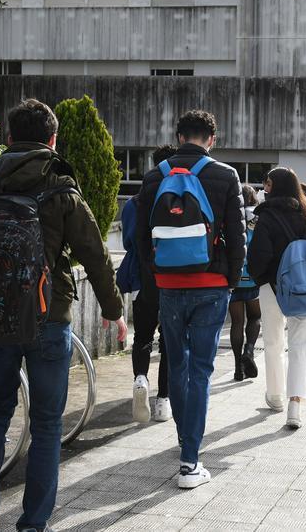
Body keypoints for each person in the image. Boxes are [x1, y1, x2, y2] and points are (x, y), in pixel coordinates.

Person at [0, 99, 127, 532]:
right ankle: (33, 523)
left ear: (10, 138)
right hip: (48, 316)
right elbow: (95, 254)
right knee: (47, 424)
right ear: (53, 140)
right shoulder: (61, 189)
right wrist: (114, 311)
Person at [135, 109, 244, 490]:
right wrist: (229, 279)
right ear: (211, 139)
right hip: (211, 284)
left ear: (179, 135)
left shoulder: (155, 175)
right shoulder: (225, 175)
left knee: (176, 364)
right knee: (201, 370)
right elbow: (237, 232)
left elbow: (139, 235)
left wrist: (157, 271)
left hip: (169, 284)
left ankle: (185, 442)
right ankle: (190, 462)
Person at [247, 167, 306, 429]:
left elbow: (258, 257)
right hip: (305, 289)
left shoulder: (267, 217)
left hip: (273, 287)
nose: (265, 188)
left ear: (277, 187)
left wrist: (263, 280)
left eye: (268, 183)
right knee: (299, 345)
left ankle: (275, 396)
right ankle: (295, 405)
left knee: (273, 342)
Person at [126, 145, 177, 423]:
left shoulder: (136, 200)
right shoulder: (179, 195)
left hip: (141, 277)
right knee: (169, 341)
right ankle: (163, 402)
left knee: (142, 336)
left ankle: (140, 379)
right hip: (172, 277)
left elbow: (128, 241)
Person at [229, 184, 262, 381]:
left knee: (236, 322)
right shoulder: (258, 219)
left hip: (233, 277)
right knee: (255, 316)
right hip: (253, 276)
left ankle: (237, 369)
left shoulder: (232, 217)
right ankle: (248, 351)